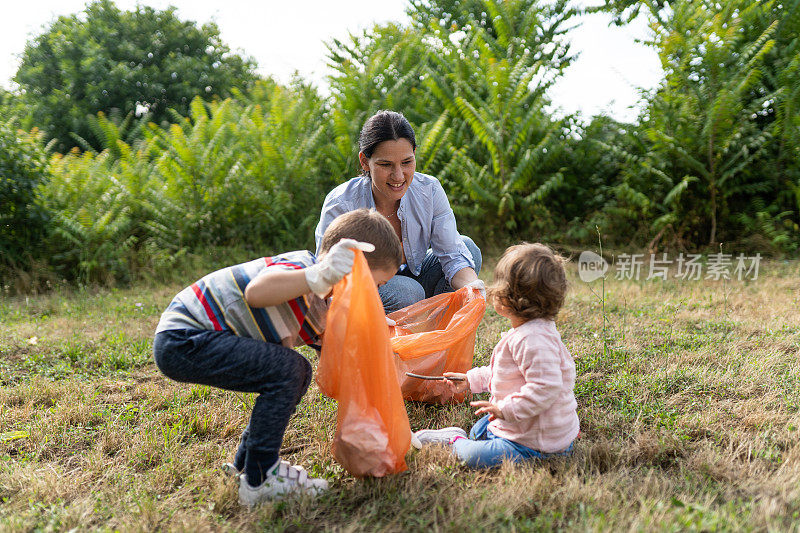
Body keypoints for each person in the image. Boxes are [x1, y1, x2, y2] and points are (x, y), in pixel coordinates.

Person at [152, 209, 403, 506]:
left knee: (294, 372)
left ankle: (246, 469)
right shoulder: (301, 267)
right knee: (290, 370)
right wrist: (318, 275)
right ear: (349, 267)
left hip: (191, 340)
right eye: (375, 286)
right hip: (185, 338)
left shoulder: (319, 307)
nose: (374, 295)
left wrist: (371, 332)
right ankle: (261, 479)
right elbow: (257, 293)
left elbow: (346, 359)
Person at [412, 243, 579, 469]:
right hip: (528, 427)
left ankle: (454, 441)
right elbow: (506, 373)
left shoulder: (532, 340)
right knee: (479, 430)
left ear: (508, 297)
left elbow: (545, 388)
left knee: (473, 457)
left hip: (536, 444)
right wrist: (470, 380)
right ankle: (469, 435)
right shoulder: (533, 330)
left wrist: (505, 410)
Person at [314, 110, 484, 313]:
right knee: (408, 292)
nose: (398, 176)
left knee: (468, 248)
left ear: (414, 154)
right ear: (364, 162)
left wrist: (473, 288)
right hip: (362, 291)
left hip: (415, 276)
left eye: (407, 162)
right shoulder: (341, 203)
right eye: (385, 164)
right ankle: (386, 335)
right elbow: (327, 277)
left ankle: (435, 331)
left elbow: (452, 254)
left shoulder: (429, 190)